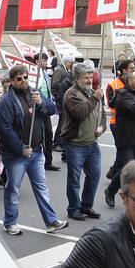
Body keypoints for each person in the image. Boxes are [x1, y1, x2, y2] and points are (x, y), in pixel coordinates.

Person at [0, 66, 67, 236]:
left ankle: (51, 221)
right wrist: (21, 149)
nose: (24, 81)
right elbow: (5, 129)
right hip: (16, 155)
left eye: (25, 77)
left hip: (36, 151)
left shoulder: (34, 93)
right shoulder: (7, 101)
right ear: (12, 81)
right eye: (19, 79)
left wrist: (41, 103)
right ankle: (10, 222)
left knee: (41, 187)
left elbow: (52, 109)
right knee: (13, 189)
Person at [57, 61, 104, 221]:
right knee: (74, 179)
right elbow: (80, 113)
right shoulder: (71, 94)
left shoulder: (93, 92)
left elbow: (102, 114)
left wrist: (102, 127)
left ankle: (87, 205)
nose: (90, 80)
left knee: (95, 176)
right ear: (77, 79)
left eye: (91, 77)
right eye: (86, 77)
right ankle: (73, 208)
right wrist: (95, 99)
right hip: (75, 144)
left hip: (92, 143)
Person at [103, 69, 135, 209]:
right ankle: (111, 190)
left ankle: (134, 197)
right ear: (130, 81)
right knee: (127, 169)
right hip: (127, 138)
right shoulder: (122, 95)